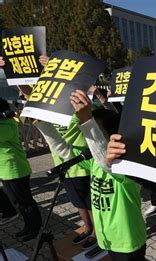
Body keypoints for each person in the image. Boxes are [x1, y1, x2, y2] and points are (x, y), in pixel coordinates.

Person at [35, 90, 154, 261]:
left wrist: (87, 120)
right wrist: (42, 124)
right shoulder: (95, 163)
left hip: (128, 238)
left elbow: (106, 160)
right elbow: (66, 153)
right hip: (108, 236)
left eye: (97, 134)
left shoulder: (125, 169)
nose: (91, 140)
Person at [37, 55, 97, 249]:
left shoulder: (76, 104)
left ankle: (96, 233)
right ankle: (87, 228)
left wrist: (53, 67)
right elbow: (33, 95)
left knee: (89, 202)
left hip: (83, 161)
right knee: (77, 201)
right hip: (63, 164)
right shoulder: (50, 106)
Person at [0, 98, 42, 241]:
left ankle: (36, 228)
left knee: (26, 201)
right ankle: (28, 225)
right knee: (17, 201)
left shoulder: (8, 124)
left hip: (15, 169)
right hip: (4, 170)